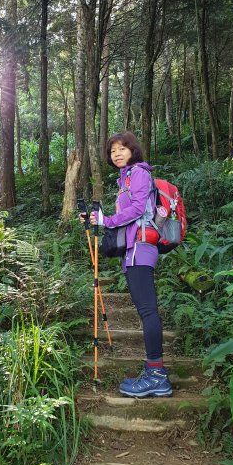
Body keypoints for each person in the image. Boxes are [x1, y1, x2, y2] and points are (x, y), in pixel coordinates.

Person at [81, 131, 172, 398]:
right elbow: (128, 213)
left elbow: (135, 210)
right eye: (112, 151)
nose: (117, 154)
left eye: (122, 148)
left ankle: (157, 375)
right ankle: (154, 371)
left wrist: (106, 221)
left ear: (133, 150)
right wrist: (100, 219)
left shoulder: (139, 174)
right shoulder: (126, 178)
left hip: (142, 249)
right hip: (134, 250)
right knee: (147, 311)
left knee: (148, 311)